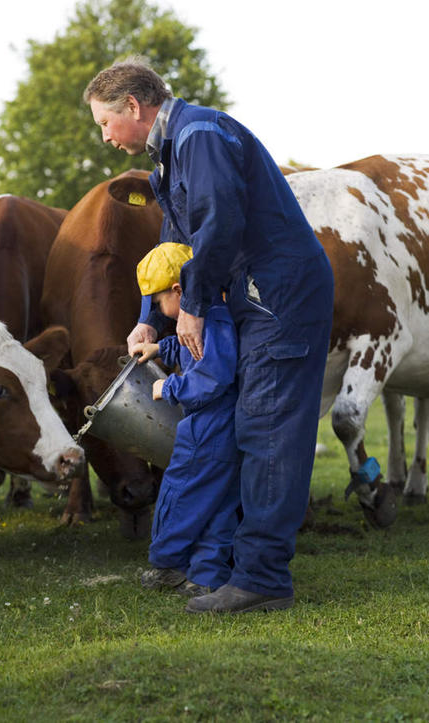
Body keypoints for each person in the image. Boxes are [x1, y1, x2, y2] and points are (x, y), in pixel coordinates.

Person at [84, 57, 334, 613]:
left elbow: (219, 221)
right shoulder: (171, 160)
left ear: (133, 106)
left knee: (265, 430)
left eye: (105, 122)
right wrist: (151, 313)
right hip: (249, 296)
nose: (104, 136)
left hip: (278, 296)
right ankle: (230, 566)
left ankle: (263, 579)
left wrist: (192, 307)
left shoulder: (200, 135)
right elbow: (171, 250)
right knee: (246, 427)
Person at [131, 241, 241, 598]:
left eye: (160, 301)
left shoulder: (211, 319)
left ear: (178, 290)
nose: (160, 312)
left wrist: (171, 386)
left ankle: (168, 565)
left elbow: (214, 376)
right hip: (225, 425)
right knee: (218, 502)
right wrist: (161, 348)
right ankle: (207, 575)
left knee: (181, 493)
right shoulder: (212, 314)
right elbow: (192, 348)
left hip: (208, 423)